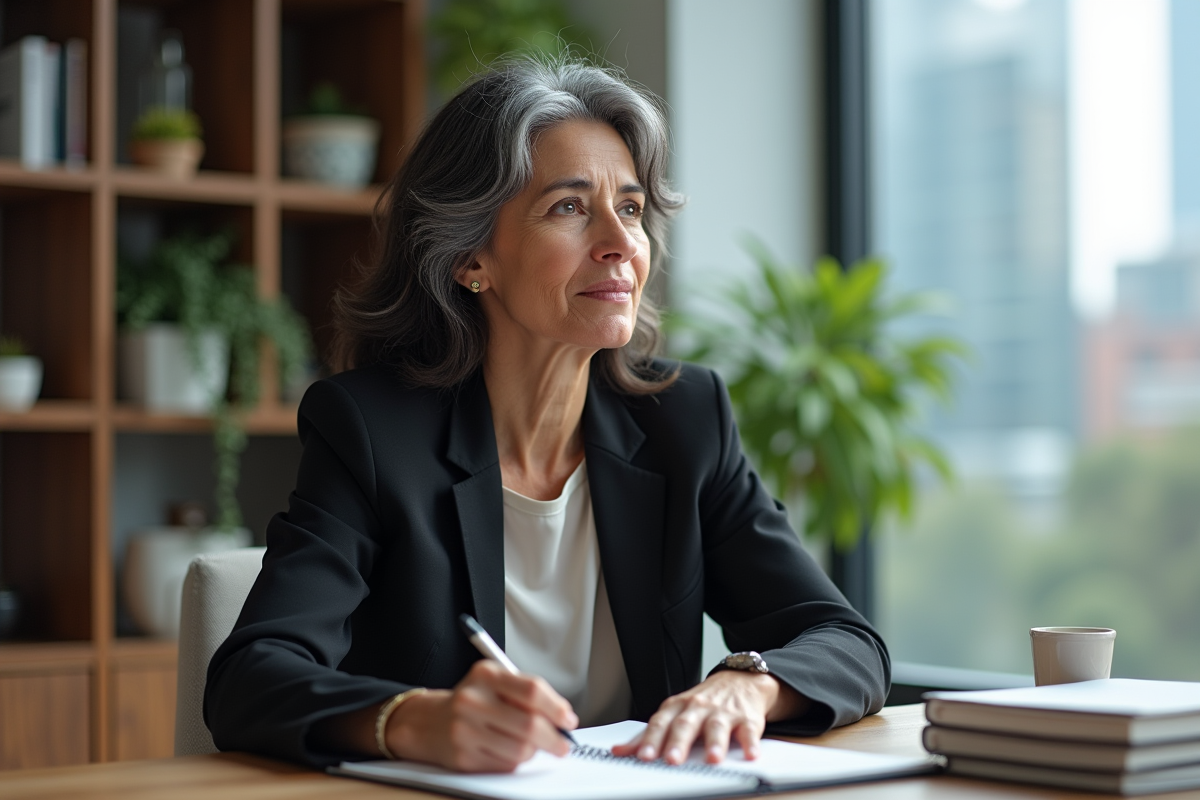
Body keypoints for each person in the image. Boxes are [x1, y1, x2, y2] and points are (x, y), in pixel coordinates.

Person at [205, 55, 889, 773]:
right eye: (569, 207)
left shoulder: (684, 422)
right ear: (471, 257)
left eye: (629, 208)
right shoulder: (373, 433)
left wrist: (749, 685)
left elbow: (845, 641)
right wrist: (412, 720)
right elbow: (251, 679)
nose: (622, 243)